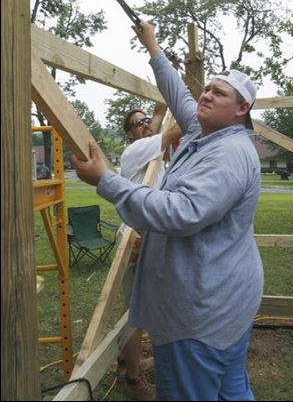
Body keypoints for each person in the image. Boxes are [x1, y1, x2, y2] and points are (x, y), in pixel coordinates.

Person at [72, 21, 264, 401]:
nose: (206, 94)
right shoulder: (205, 132)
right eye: (207, 87)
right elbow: (179, 94)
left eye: (219, 93)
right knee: (229, 390)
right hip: (224, 304)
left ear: (242, 109)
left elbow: (181, 212)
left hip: (199, 316)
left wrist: (105, 181)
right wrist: (153, 47)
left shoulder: (227, 154)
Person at [116, 109, 182, 401]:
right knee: (134, 313)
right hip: (135, 239)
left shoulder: (155, 153)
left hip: (152, 239)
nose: (144, 126)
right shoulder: (135, 151)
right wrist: (180, 102)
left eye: (146, 122)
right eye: (136, 124)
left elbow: (155, 127)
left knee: (147, 308)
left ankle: (125, 363)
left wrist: (157, 111)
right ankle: (132, 379)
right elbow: (170, 131)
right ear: (130, 134)